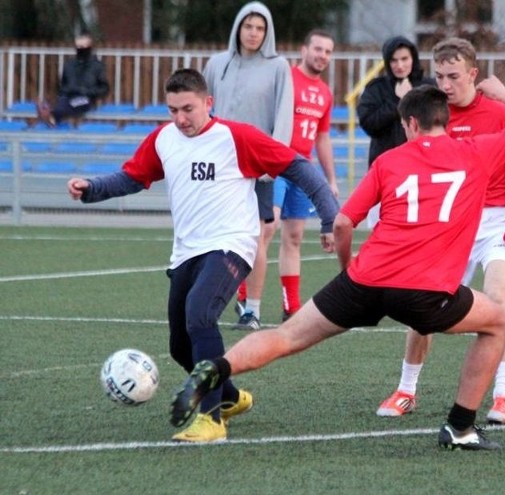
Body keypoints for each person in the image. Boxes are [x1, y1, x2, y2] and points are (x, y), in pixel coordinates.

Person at [169, 82, 505, 450]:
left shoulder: (389, 160)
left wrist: (346, 267)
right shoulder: (475, 151)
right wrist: (502, 95)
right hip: (424, 291)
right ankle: (460, 426)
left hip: (364, 280)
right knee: (498, 321)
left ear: (412, 124)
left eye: (403, 126)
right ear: (441, 121)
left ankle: (216, 368)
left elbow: (342, 223)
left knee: (287, 336)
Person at [66, 68, 339, 443]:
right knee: (180, 345)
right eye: (172, 109)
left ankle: (211, 420)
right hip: (186, 252)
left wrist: (328, 215)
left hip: (232, 244)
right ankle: (228, 397)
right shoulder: (164, 139)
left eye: (188, 109)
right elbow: (133, 177)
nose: (180, 119)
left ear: (208, 103)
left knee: (200, 314)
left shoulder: (236, 137)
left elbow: (298, 167)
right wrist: (91, 189)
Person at [376, 37, 505, 425]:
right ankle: (407, 389)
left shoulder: (498, 114)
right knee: (423, 299)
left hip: (498, 221)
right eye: (440, 75)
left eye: (454, 76)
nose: (446, 84)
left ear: (473, 74)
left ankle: (503, 395)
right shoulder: (436, 115)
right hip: (454, 223)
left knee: (497, 301)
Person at [203, 1, 294, 331]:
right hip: (220, 166)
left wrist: (274, 162)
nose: (253, 33)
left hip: (260, 167)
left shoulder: (278, 66)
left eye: (260, 28)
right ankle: (208, 303)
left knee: (257, 238)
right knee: (214, 238)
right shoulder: (216, 64)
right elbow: (203, 110)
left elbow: (283, 116)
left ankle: (251, 310)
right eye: (248, 26)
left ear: (267, 32)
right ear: (238, 28)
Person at [273, 29, 339, 322]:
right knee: (267, 227)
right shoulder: (285, 78)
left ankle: (291, 308)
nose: (322, 55)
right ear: (303, 50)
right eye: (317, 49)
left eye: (327, 51)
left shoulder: (325, 93)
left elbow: (322, 138)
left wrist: (331, 180)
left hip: (303, 169)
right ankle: (247, 299)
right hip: (275, 163)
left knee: (295, 236)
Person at [356, 35, 435, 226]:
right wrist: (397, 102)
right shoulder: (376, 89)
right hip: (385, 174)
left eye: (404, 59)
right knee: (381, 232)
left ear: (413, 59)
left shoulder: (429, 87)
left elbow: (435, 124)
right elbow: (369, 123)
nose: (399, 65)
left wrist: (410, 98)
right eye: (394, 60)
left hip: (423, 173)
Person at [37, 33, 110, 127]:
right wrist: (68, 90)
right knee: (63, 102)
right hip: (67, 97)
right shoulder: (69, 65)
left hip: (86, 98)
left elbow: (104, 88)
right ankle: (51, 116)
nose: (81, 49)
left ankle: (52, 116)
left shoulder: (97, 66)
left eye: (84, 46)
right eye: (79, 46)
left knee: (74, 103)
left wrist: (87, 91)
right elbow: (61, 86)